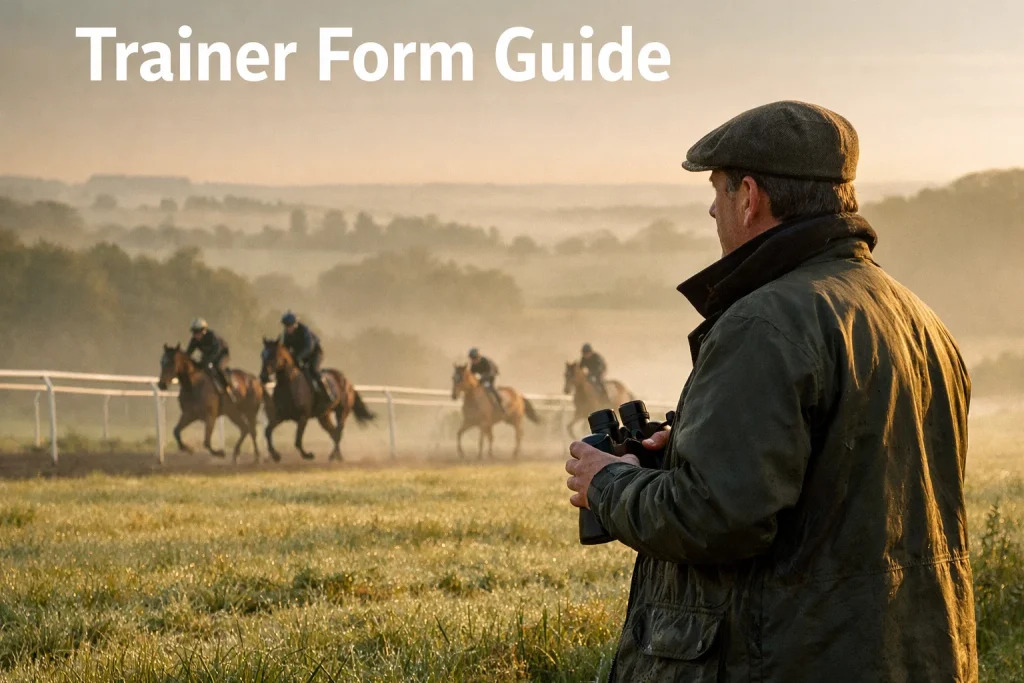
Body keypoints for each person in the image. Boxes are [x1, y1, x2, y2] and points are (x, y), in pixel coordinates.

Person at [565, 101, 976, 682]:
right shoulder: (919, 319)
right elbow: (838, 484)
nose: (712, 208)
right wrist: (684, 453)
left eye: (717, 191)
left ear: (750, 196)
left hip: (787, 659)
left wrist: (607, 483)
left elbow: (716, 518)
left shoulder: (764, 323)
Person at [280, 312, 330, 404]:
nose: (288, 329)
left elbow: (309, 347)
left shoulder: (304, 331)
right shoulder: (285, 334)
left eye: (289, 326)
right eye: (286, 326)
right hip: (299, 355)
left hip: (314, 354)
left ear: (295, 324)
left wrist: (298, 357)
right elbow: (284, 348)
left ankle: (327, 393)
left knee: (313, 370)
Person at [185, 318, 234, 402]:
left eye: (198, 331)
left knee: (217, 367)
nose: (196, 334)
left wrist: (207, 362)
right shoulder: (194, 340)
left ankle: (228, 390)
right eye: (194, 332)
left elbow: (216, 351)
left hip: (222, 354)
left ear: (204, 330)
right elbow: (187, 354)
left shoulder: (212, 336)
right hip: (209, 355)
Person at [468, 348, 503, 413]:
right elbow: (471, 374)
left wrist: (481, 378)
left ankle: (499, 404)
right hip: (484, 377)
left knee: (488, 386)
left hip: (494, 375)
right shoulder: (473, 364)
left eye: (473, 359)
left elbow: (490, 373)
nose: (472, 361)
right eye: (471, 359)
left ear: (477, 357)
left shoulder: (485, 361)